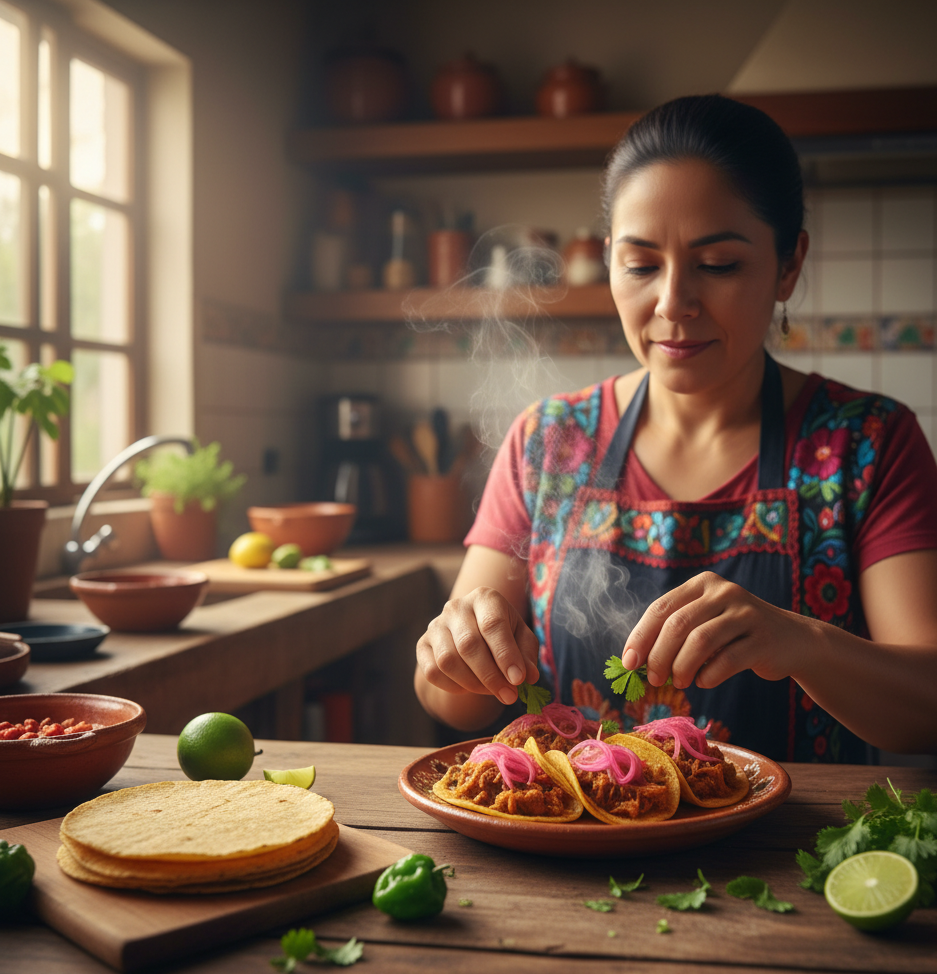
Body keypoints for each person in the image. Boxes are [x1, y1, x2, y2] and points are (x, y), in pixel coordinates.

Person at [414, 94, 937, 763]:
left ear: (787, 265)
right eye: (639, 265)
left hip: (787, 855)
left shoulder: (867, 444)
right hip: (576, 853)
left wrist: (801, 644)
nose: (671, 304)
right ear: (609, 262)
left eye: (716, 265)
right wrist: (453, 653)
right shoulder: (549, 442)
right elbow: (448, 701)